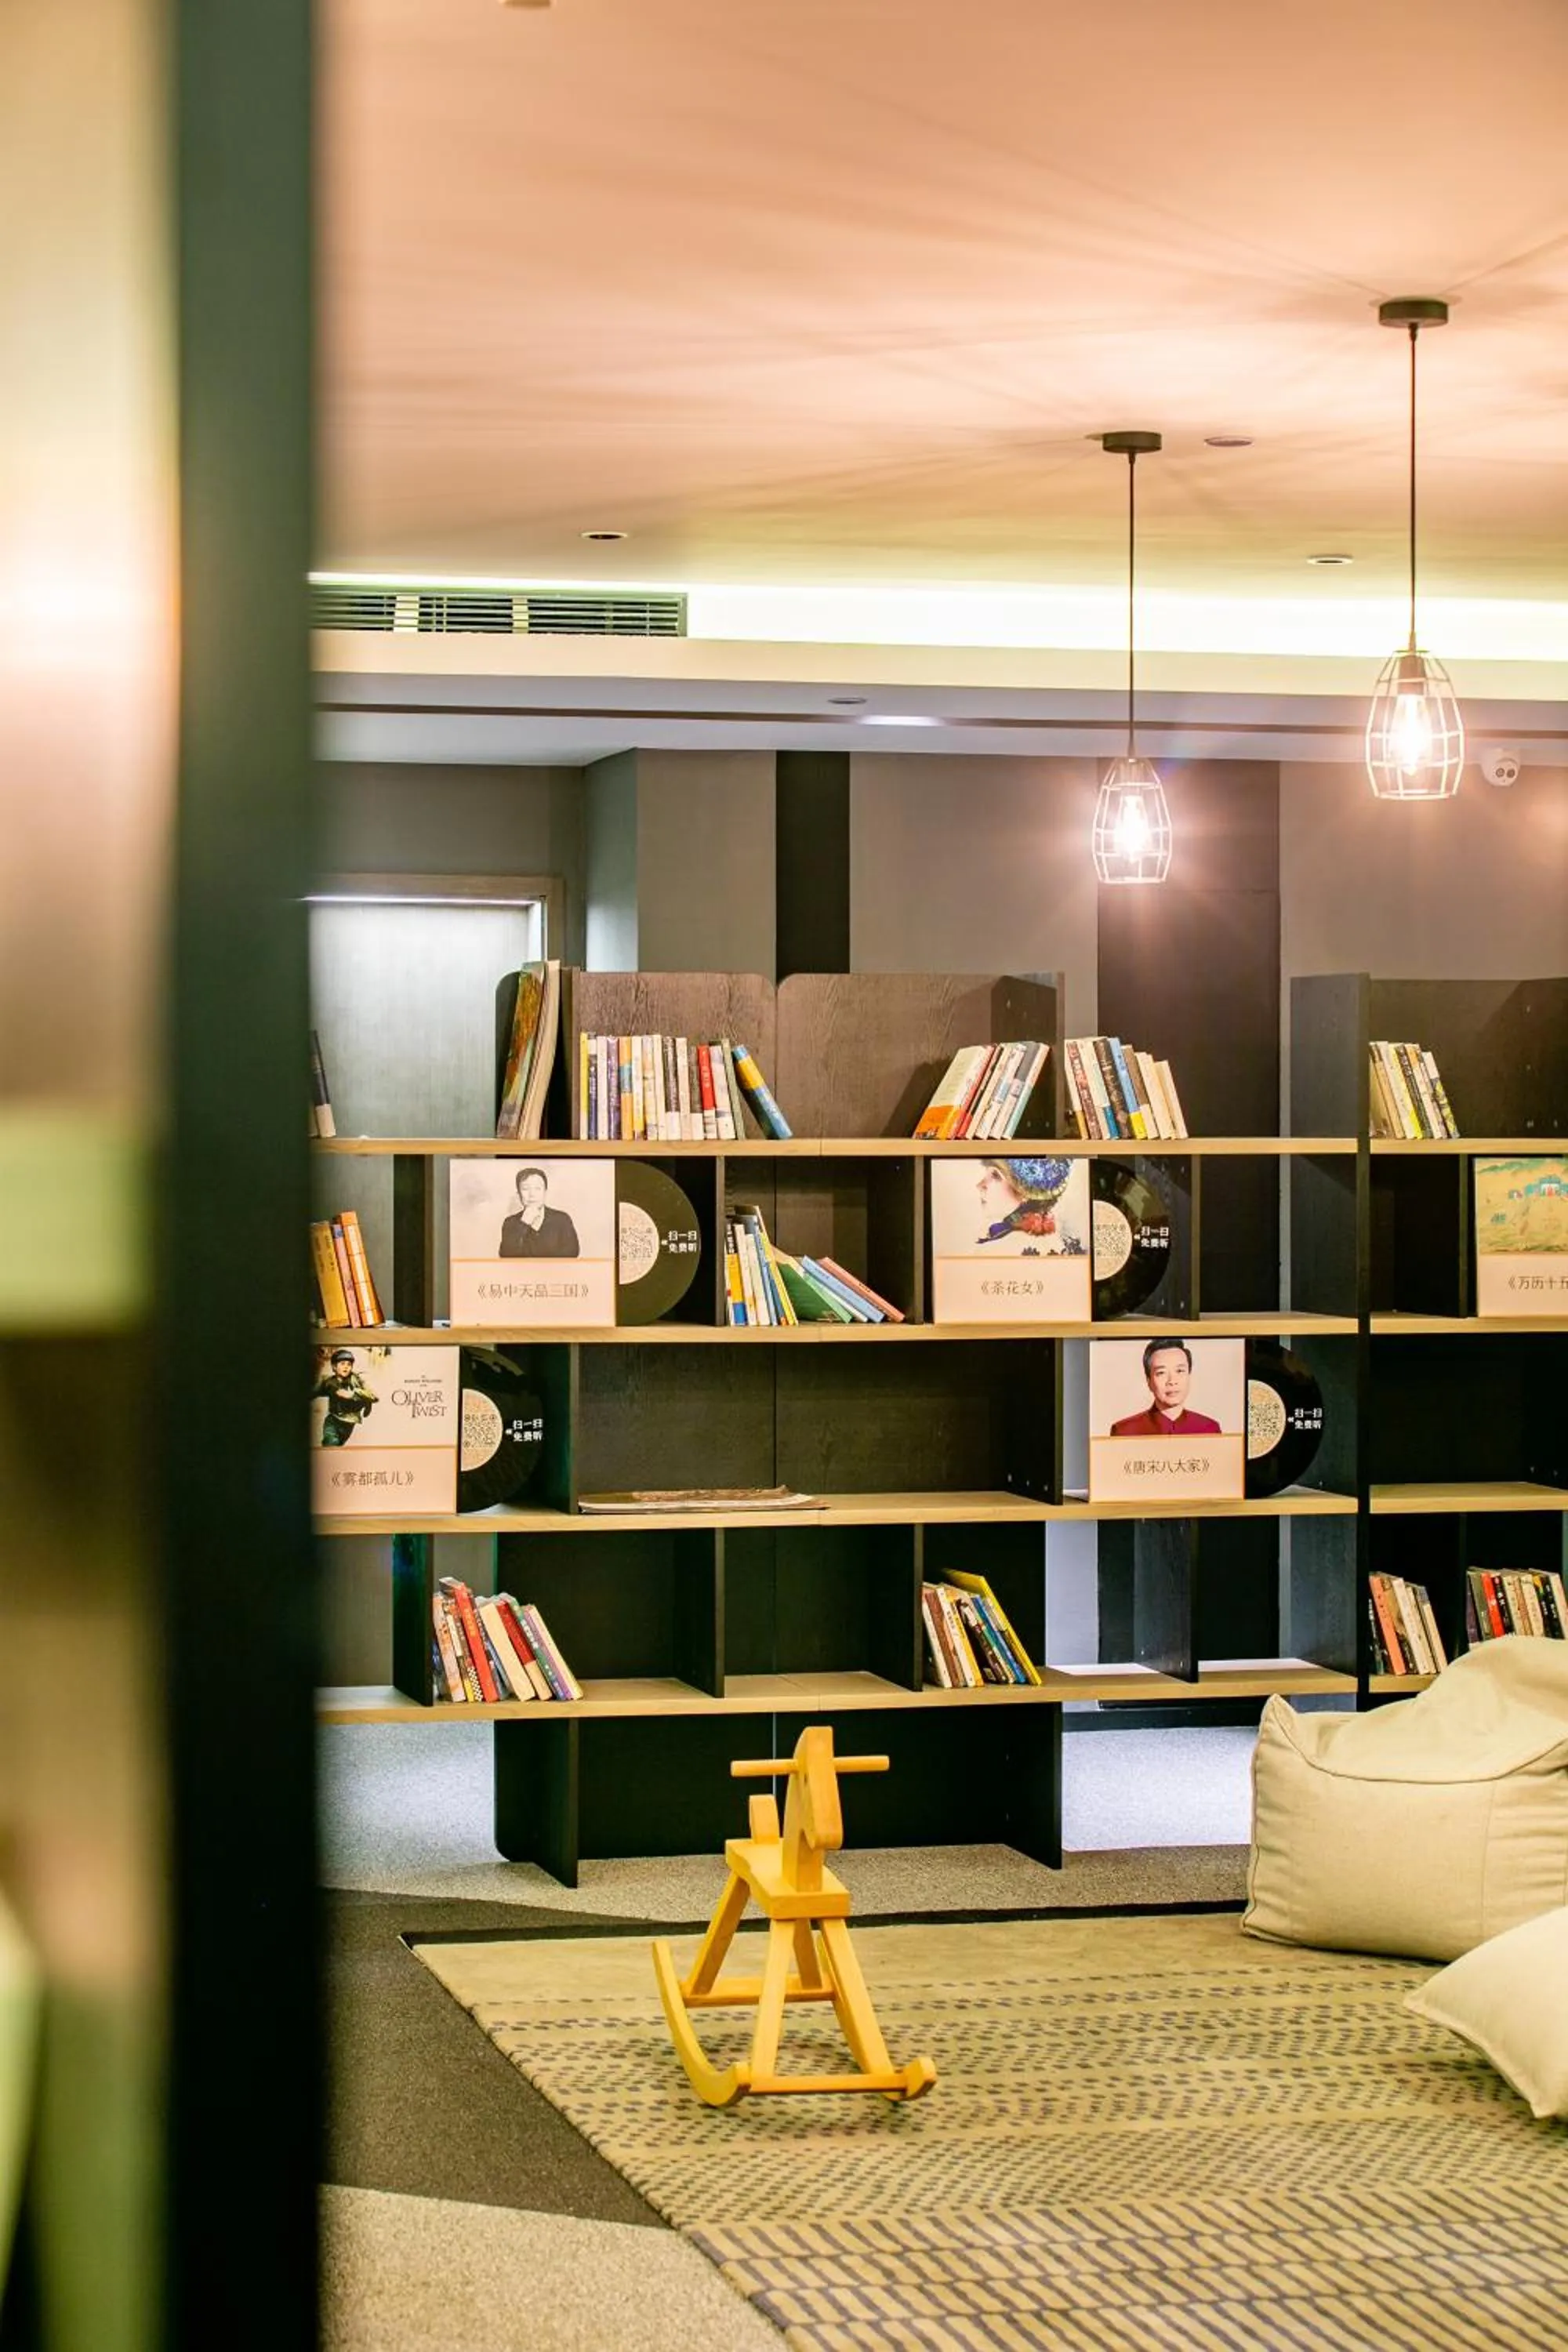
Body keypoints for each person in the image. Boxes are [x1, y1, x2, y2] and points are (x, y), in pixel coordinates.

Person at [1110, 1338, 1221, 1437]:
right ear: (1149, 1382)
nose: (1172, 1381)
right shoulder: (1124, 1432)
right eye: (1161, 1373)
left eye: (1180, 1371)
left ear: (1189, 1376)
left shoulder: (1209, 1429)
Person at [972, 1156, 1080, 1251]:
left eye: (996, 1176)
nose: (980, 1185)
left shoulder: (1006, 1246)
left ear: (1024, 1193)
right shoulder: (1004, 1233)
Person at [499, 1165, 580, 1258]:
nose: (532, 1194)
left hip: (556, 1272)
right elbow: (506, 1256)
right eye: (525, 1189)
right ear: (519, 1194)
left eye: (537, 1188)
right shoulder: (510, 1223)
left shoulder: (562, 1219)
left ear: (545, 1192)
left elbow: (572, 1254)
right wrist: (523, 1225)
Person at [313, 1348, 377, 1446]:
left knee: (338, 1446)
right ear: (334, 1367)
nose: (346, 1367)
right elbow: (314, 1392)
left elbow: (374, 1396)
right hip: (333, 1419)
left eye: (349, 1364)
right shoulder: (328, 1382)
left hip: (349, 1422)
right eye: (342, 1364)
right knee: (331, 1442)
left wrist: (353, 1394)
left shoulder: (357, 1380)